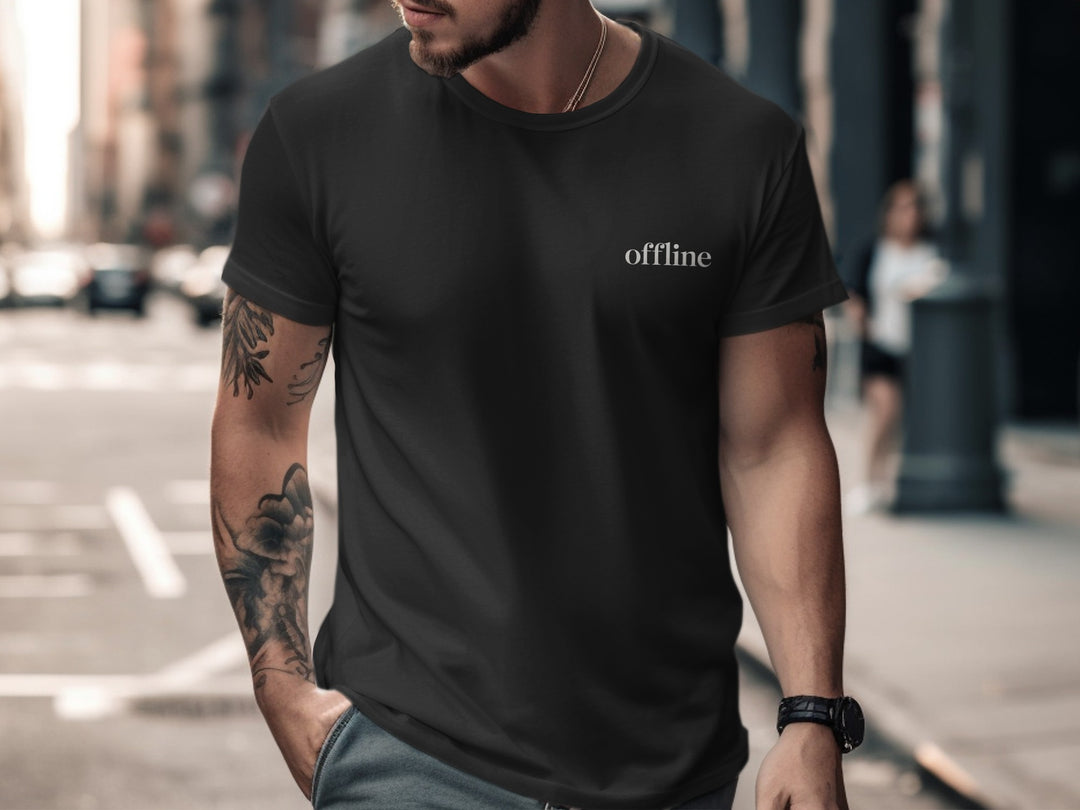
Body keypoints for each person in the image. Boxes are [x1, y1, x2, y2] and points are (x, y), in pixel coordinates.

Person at [209, 0, 861, 807]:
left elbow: (775, 447)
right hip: (408, 755)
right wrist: (284, 692)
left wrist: (811, 717)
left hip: (670, 769)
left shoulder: (739, 146)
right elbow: (262, 420)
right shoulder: (316, 134)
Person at [842, 180, 943, 514]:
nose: (908, 215)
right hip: (880, 344)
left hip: (920, 351)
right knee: (885, 410)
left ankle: (892, 481)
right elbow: (853, 292)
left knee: (907, 420)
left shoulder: (932, 254)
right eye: (901, 207)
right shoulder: (875, 250)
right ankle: (869, 482)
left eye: (915, 207)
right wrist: (863, 325)